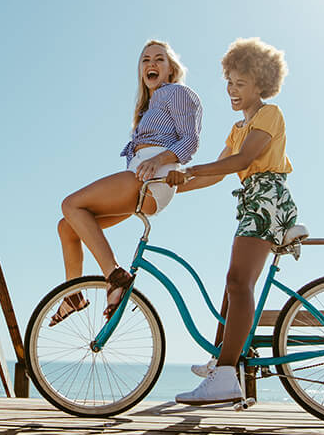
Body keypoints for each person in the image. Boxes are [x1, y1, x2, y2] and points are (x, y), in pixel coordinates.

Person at [166, 37, 297, 404]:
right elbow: (215, 174)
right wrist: (169, 192)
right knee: (233, 288)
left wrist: (188, 169)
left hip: (268, 199)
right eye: (230, 82)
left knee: (238, 283)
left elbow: (241, 162)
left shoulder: (269, 115)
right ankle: (222, 362)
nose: (232, 90)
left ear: (261, 84)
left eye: (241, 84)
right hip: (252, 202)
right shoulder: (237, 129)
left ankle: (226, 375)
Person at [52, 40, 203, 325]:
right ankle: (73, 295)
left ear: (171, 70)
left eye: (159, 59)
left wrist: (157, 162)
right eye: (145, 60)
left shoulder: (177, 92)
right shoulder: (148, 106)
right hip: (141, 178)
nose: (151, 64)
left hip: (150, 179)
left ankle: (116, 277)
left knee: (70, 204)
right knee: (67, 226)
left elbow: (190, 140)